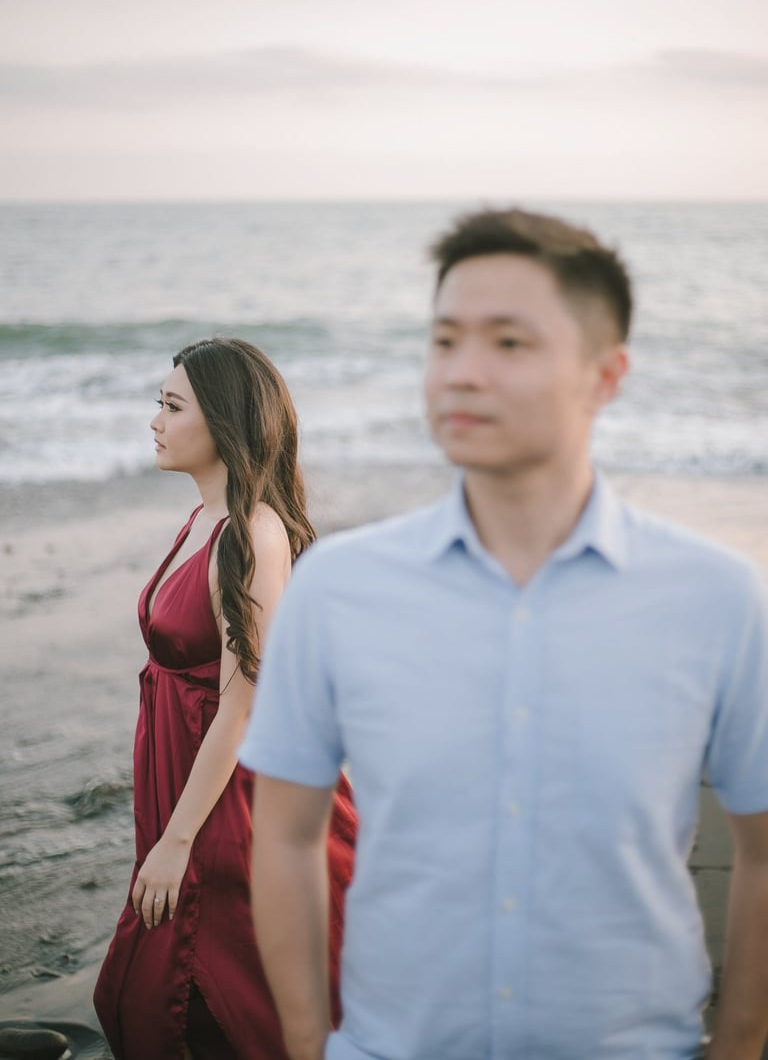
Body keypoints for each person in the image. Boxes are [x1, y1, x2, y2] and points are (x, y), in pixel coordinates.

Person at [238, 209, 768, 1060]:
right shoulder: (336, 587)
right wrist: (308, 1045)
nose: (462, 372)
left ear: (605, 375)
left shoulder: (718, 597)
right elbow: (287, 832)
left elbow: (762, 848)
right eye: (445, 341)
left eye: (509, 342)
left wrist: (740, 1042)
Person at [93, 338, 357, 1060]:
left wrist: (178, 840)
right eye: (159, 403)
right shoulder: (201, 521)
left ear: (224, 421)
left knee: (188, 991)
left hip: (230, 796)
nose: (155, 421)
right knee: (163, 987)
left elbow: (245, 704)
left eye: (173, 406)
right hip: (183, 774)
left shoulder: (251, 535)